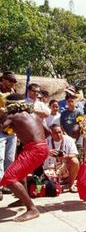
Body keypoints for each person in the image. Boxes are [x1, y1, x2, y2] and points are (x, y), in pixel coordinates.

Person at [0, 93, 49, 221]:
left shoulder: (12, 115)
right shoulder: (35, 115)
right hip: (42, 147)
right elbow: (48, 131)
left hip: (34, 149)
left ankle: (32, 209)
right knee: (20, 176)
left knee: (9, 179)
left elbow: (2, 126)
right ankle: (23, 200)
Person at [42, 124, 80, 192]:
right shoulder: (46, 141)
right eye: (55, 133)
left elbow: (75, 154)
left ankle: (71, 185)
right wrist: (47, 152)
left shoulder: (68, 139)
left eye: (60, 132)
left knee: (75, 161)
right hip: (50, 168)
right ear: (51, 134)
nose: (58, 135)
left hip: (64, 167)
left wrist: (65, 156)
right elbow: (37, 154)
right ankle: (59, 183)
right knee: (51, 186)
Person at [0, 71, 18, 199]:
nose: (12, 83)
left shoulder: (13, 93)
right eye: (10, 81)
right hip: (0, 129)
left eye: (13, 81)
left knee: (10, 159)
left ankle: (5, 183)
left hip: (11, 130)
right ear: (3, 80)